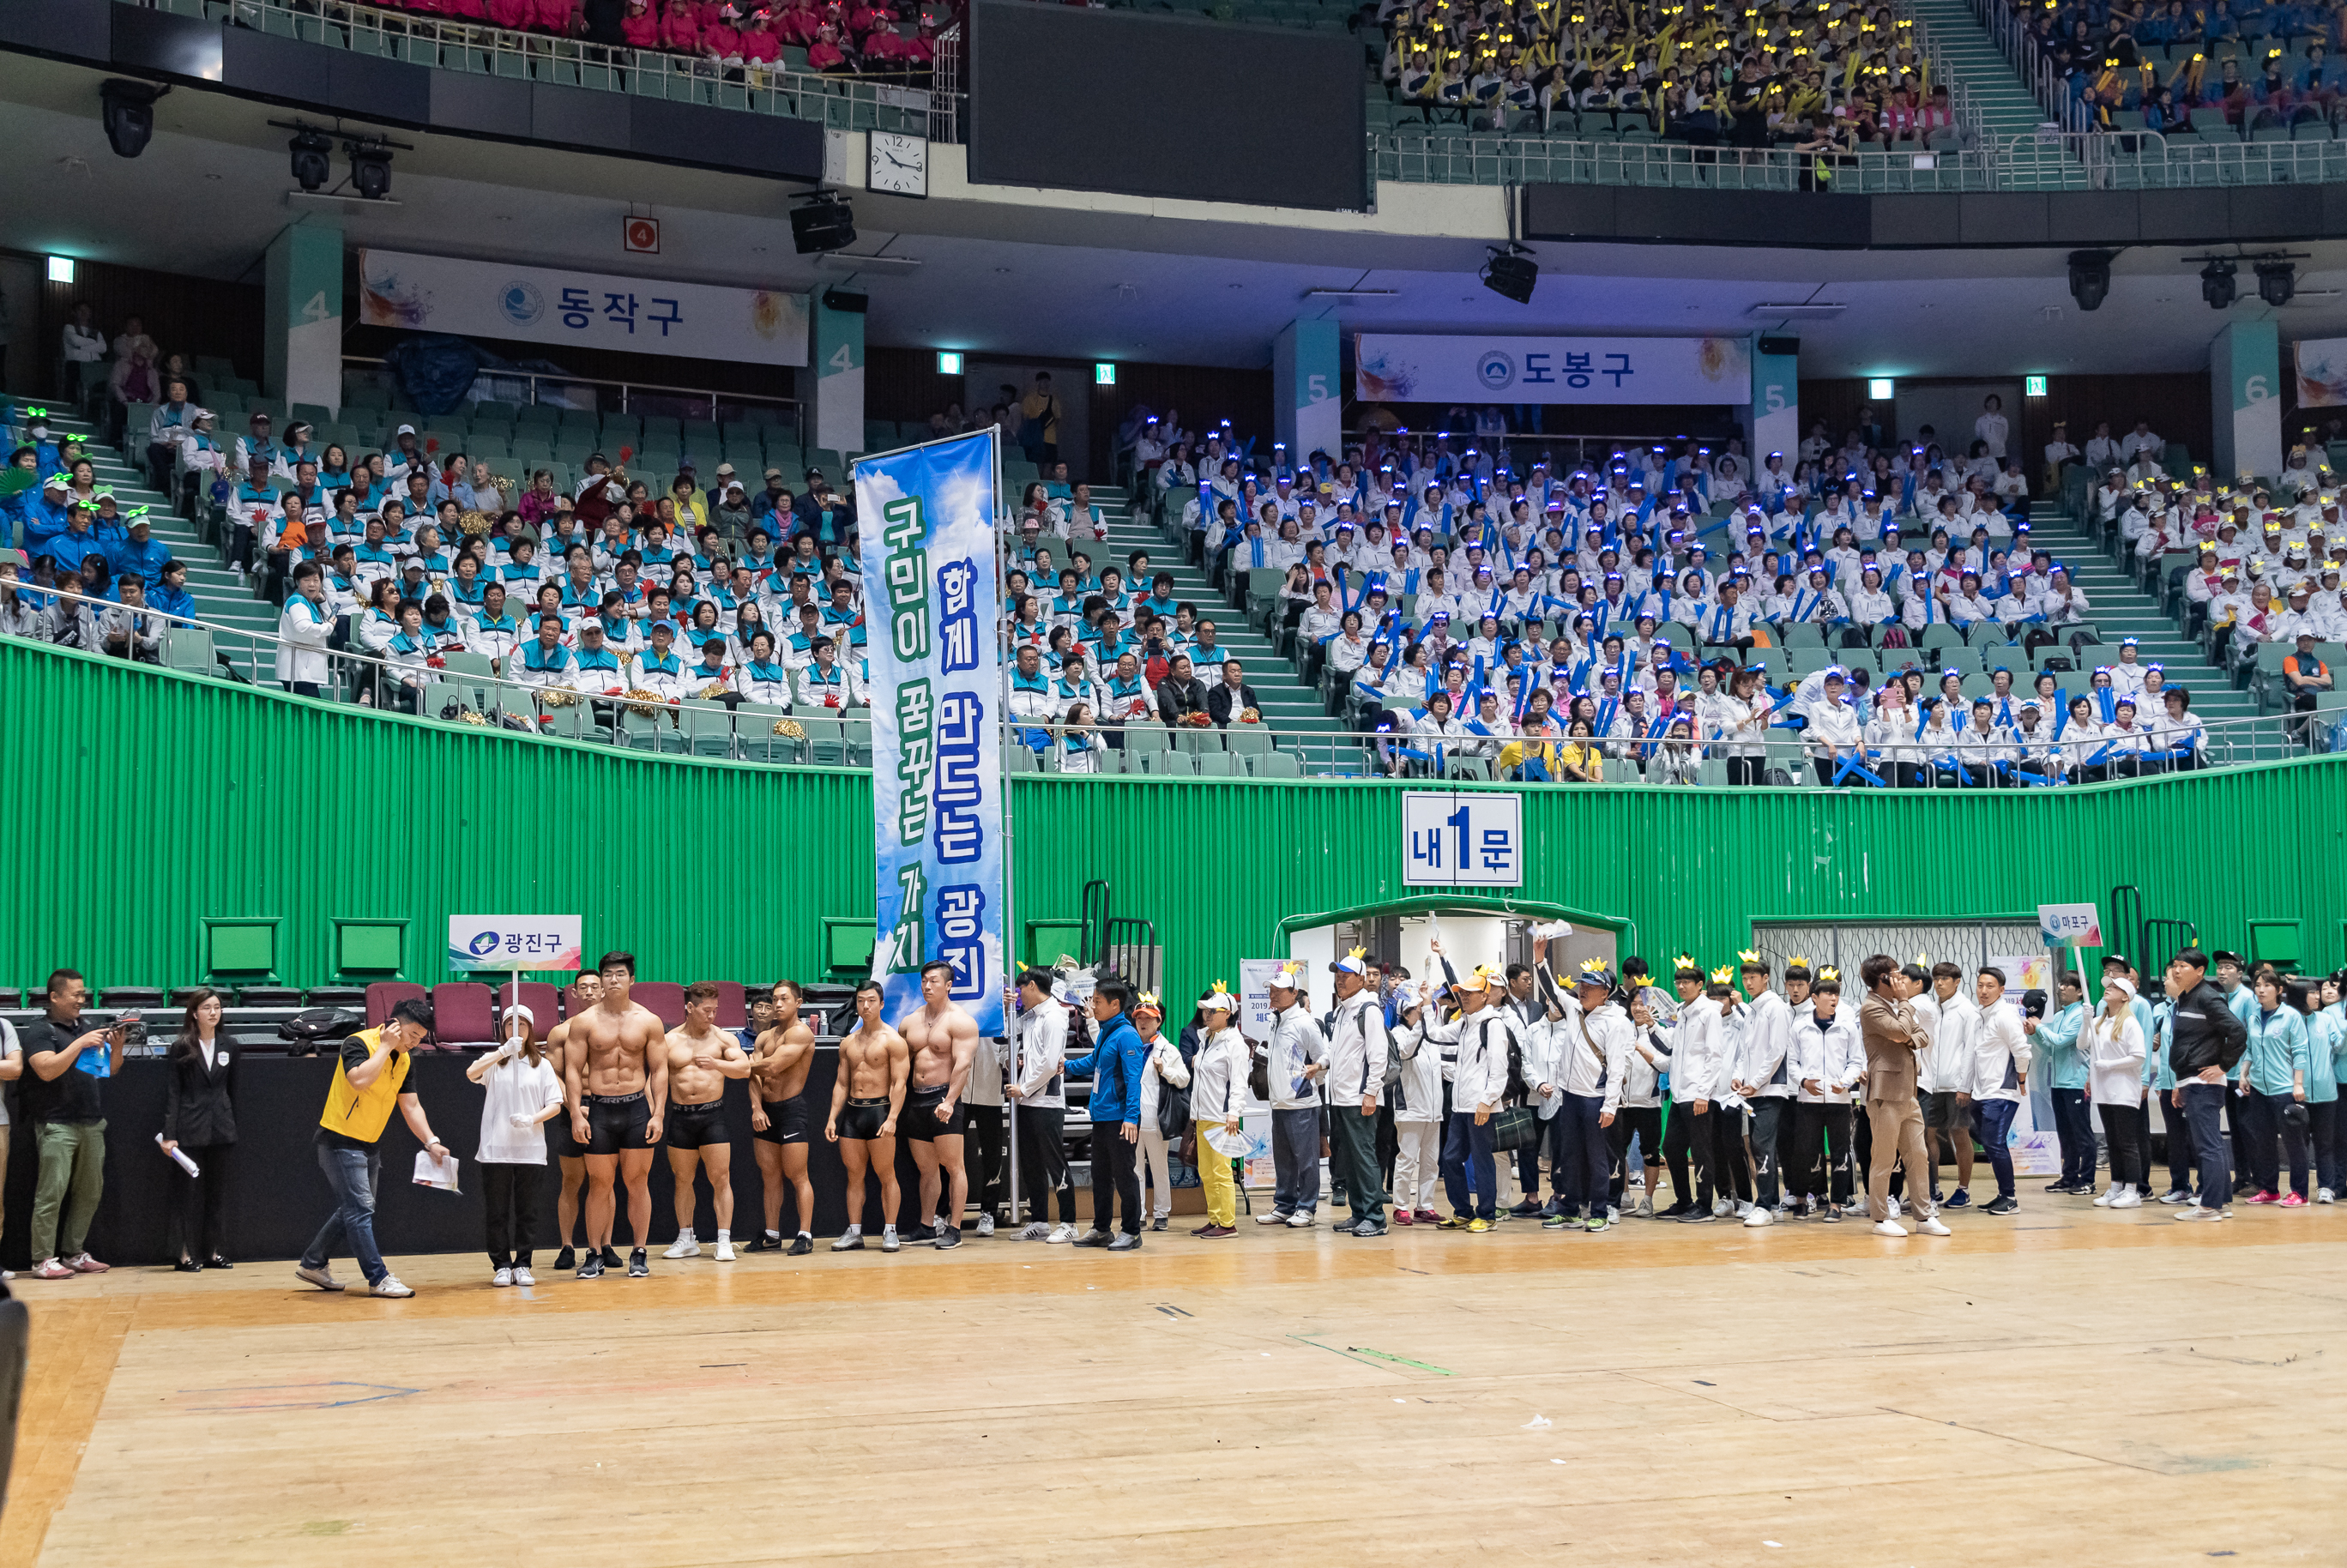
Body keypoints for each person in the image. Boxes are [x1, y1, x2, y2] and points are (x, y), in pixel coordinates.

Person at [294, 997, 449, 1298]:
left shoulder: (405, 1060)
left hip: (369, 1143)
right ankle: (378, 1278)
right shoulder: (358, 1043)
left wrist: (431, 1141)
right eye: (412, 1034)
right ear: (394, 1026)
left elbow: (411, 1105)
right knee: (360, 1209)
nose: (416, 1041)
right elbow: (359, 1080)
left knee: (356, 1209)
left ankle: (313, 1262)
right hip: (340, 1140)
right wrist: (384, 1047)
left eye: (421, 1037)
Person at [564, 951, 669, 1279]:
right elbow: (571, 1070)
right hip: (600, 1110)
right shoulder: (585, 1022)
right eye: (608, 974)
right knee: (599, 1184)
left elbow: (661, 1070)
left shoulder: (649, 1021)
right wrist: (575, 1115)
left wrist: (658, 1114)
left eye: (620, 974)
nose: (613, 979)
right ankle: (594, 1253)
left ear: (632, 979)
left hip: (637, 1108)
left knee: (638, 1183)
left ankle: (639, 1252)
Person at [21, 969, 129, 1281]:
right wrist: (80, 1043)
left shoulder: (88, 1028)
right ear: (54, 997)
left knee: (90, 1192)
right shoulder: (40, 1031)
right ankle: (42, 1259)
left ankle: (74, 1253)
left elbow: (109, 1070)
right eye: (76, 994)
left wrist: (117, 1045)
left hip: (92, 1122)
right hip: (57, 1124)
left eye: (84, 994)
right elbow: (46, 1071)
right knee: (51, 1194)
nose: (82, 1000)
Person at [465, 1005, 567, 1286]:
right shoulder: (494, 1062)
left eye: (522, 1025)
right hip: (496, 1149)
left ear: (531, 1029)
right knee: (497, 1212)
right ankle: (501, 1265)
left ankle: (523, 1264)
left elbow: (556, 1104)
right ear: (503, 1029)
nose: (517, 1030)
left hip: (530, 1150)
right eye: (511, 1024)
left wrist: (532, 1119)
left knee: (528, 1211)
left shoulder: (542, 1065)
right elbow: (471, 1073)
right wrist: (501, 1052)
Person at [1858, 953, 1948, 1239]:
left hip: (1908, 1092)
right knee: (1884, 1158)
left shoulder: (1897, 1007)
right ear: (1883, 979)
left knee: (1918, 1155)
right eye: (1895, 973)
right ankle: (1880, 1218)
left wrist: (1906, 1028)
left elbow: (1921, 1037)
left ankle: (1924, 1215)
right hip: (1885, 1093)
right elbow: (1900, 1033)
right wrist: (1905, 1008)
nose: (1900, 979)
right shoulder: (1871, 1008)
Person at [661, 981, 752, 1262]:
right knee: (682, 1179)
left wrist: (717, 1065)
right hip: (681, 1116)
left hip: (712, 1115)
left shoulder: (724, 1040)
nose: (712, 1016)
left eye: (715, 1010)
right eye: (706, 1010)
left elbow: (745, 1069)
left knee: (720, 1178)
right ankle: (686, 1238)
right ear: (690, 1007)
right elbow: (655, 1075)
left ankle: (724, 1240)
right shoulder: (669, 1041)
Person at [1424, 961, 1517, 1232]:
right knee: (1451, 1158)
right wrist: (1426, 1006)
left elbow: (1499, 1069)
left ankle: (1487, 1215)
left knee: (1482, 1161)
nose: (1464, 997)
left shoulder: (1493, 1025)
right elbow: (1434, 1035)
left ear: (1484, 997)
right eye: (1461, 993)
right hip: (1461, 1106)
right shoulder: (1465, 1023)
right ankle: (1463, 1211)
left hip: (1482, 1106)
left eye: (1470, 993)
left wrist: (1487, 1101)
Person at [1065, 977, 1149, 1250]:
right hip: (1101, 1117)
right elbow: (1094, 1062)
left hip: (1120, 1119)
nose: (1093, 1006)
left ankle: (1132, 1231)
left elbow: (1134, 1080)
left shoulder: (1127, 1035)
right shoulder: (1106, 1032)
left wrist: (1130, 1117)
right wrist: (1065, 1065)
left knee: (1125, 1174)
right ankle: (1102, 1229)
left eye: (1098, 1001)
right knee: (1099, 1175)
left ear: (1115, 1004)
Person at [899, 961, 979, 1249]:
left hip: (944, 1098)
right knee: (926, 1169)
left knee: (954, 1166)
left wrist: (950, 1101)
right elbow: (899, 1062)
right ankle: (926, 1225)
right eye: (923, 981)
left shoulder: (961, 1021)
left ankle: (954, 1229)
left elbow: (963, 1064)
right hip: (917, 1099)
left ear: (948, 985)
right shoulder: (910, 1021)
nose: (927, 986)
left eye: (933, 981)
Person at [2166, 949, 2249, 1221]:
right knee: (2209, 1143)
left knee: (2208, 1145)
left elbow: (2237, 1031)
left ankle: (2209, 1207)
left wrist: (2223, 1066)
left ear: (2199, 971)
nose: (2176, 971)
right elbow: (2188, 1044)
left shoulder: (2207, 996)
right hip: (2191, 1081)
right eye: (2175, 966)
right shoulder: (2187, 998)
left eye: (2183, 966)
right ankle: (2221, 1201)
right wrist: (2179, 1084)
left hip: (2204, 1083)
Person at [159, 987, 238, 1272]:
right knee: (186, 1195)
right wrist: (169, 1134)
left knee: (216, 1195)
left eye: (217, 1007)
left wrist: (232, 1124)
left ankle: (214, 1251)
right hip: (189, 1128)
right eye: (207, 1008)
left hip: (221, 1128)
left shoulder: (230, 1044)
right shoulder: (182, 1046)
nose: (213, 1012)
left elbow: (234, 1090)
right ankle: (183, 1253)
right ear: (194, 1013)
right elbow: (173, 1093)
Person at [827, 980, 908, 1252]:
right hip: (853, 1113)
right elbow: (841, 1083)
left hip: (880, 1111)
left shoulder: (893, 1041)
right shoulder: (848, 1042)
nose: (866, 1005)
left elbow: (899, 1083)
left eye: (871, 1000)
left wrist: (893, 1117)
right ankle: (855, 1231)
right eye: (861, 1000)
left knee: (887, 1174)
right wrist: (832, 1118)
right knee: (854, 1175)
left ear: (882, 1004)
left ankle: (890, 1230)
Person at [1005, 968, 1077, 1242]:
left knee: (1054, 1162)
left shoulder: (1055, 1016)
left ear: (1032, 985)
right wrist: (1006, 1007)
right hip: (1027, 1102)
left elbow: (1050, 1064)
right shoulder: (1030, 1017)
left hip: (1047, 1102)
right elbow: (1011, 1035)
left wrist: (1023, 1087)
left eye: (1021, 990)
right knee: (1032, 1164)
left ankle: (1069, 1222)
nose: (1019, 995)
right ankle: (1039, 1221)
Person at [1324, 949, 1391, 1238]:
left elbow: (1379, 1057)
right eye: (1337, 975)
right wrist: (1321, 1064)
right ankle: (1359, 1212)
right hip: (1340, 1097)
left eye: (1346, 975)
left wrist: (1371, 1093)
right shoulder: (1342, 1011)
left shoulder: (1369, 1010)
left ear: (1362, 980)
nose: (1340, 980)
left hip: (1359, 1098)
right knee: (1348, 1158)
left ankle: (1376, 1217)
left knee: (1363, 1157)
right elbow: (1335, 1051)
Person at [747, 980, 818, 1255]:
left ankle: (805, 1234)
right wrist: (756, 1107)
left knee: (798, 1175)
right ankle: (772, 1235)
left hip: (790, 1110)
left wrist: (738, 1065)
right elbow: (754, 1075)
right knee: (770, 1176)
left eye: (784, 999)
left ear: (798, 1003)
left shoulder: (802, 1034)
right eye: (775, 999)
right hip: (766, 1110)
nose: (777, 1004)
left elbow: (773, 1066)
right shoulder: (765, 1037)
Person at [1787, 968, 1863, 1221]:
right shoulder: (1799, 1027)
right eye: (1828, 994)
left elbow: (1856, 1061)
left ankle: (1837, 1204)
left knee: (1840, 1152)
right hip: (1807, 1100)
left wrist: (1846, 1081)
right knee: (1804, 1151)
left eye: (1836, 995)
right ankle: (1800, 1199)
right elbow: (1792, 1063)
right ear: (1814, 997)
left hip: (1839, 1101)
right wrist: (1803, 1081)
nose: (1833, 999)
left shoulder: (1847, 1027)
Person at [1259, 962, 1328, 1227]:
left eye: (1278, 991)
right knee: (1284, 1159)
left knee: (1307, 1159)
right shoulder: (1275, 1022)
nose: (1272, 995)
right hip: (1279, 1103)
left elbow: (1323, 1055)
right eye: (1270, 990)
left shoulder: (1305, 1023)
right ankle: (1284, 1205)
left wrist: (1315, 1071)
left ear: (1293, 992)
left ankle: (1307, 1208)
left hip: (1302, 1103)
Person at [2238, 969, 2313, 1206]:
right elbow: (2250, 1049)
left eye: (2267, 985)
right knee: (2264, 1141)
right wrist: (2244, 1073)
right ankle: (2270, 1190)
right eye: (2257, 985)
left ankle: (2300, 1193)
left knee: (2293, 1144)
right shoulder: (2253, 1017)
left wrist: (2297, 1084)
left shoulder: (2291, 1016)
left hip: (2284, 1090)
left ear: (2279, 990)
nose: (2260, 989)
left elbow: (2300, 1051)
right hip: (2259, 1089)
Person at [546, 969, 602, 1273]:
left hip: (607, 1110)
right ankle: (567, 1246)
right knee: (571, 1181)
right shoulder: (561, 1032)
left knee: (604, 1182)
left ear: (604, 991)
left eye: (596, 986)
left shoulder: (615, 1030)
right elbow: (553, 1075)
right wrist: (576, 1109)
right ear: (574, 994)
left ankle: (603, 1246)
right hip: (573, 1112)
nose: (591, 991)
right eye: (584, 987)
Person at [1969, 968, 2031, 1216]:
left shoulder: (2005, 1015)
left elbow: (2022, 1051)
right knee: (1980, 1134)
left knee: (1994, 1143)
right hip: (1981, 1091)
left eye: (1990, 986)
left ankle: (2010, 1197)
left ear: (2002, 990)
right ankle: (2002, 1194)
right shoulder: (1981, 1015)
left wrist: (2022, 1080)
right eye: (1981, 985)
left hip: (2001, 1091)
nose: (1984, 991)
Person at [1187, 987, 1249, 1238]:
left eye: (1213, 1011)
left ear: (1228, 1014)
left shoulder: (1235, 1043)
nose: (1207, 1015)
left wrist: (1234, 1113)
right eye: (1205, 1010)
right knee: (1206, 1172)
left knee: (1222, 1171)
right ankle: (1214, 1219)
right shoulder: (1207, 1040)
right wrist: (1194, 1112)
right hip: (1203, 1117)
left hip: (1222, 1119)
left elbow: (1239, 1082)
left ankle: (1227, 1223)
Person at [2087, 978, 2150, 1209]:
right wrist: (2087, 1020)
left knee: (2126, 1142)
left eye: (2114, 987)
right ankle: (2116, 1187)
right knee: (2112, 1141)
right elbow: (2082, 1044)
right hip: (2103, 1090)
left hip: (2123, 1090)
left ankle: (2132, 1190)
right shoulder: (2098, 1022)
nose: (2107, 988)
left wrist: (2109, 1065)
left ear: (2126, 996)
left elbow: (2139, 1057)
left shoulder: (2130, 1024)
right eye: (2107, 986)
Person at [1132, 992, 1192, 1233]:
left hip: (1156, 1119)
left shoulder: (1168, 1049)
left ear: (1159, 1021)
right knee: (1134, 1169)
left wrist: (1165, 1069)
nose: (1143, 1022)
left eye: (1148, 1018)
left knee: (1159, 1168)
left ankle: (1161, 1214)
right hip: (1132, 1119)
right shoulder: (1131, 1045)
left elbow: (1184, 1079)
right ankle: (1137, 1214)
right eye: (1139, 1018)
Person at [2032, 971, 2094, 1195]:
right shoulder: (2059, 1017)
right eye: (2061, 984)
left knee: (2082, 1133)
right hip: (2058, 1083)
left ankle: (2087, 1179)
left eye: (2068, 985)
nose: (2061, 988)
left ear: (2079, 991)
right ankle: (2068, 1176)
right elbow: (2052, 1048)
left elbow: (2062, 1040)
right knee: (2065, 1133)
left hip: (2076, 1082)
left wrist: (2039, 1027)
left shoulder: (2080, 1015)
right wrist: (2034, 1034)